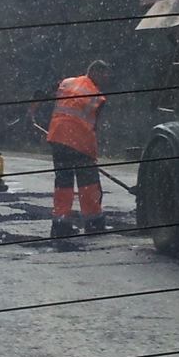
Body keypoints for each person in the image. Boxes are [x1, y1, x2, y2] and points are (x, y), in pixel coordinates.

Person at [39, 59, 109, 239]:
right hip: (79, 143)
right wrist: (93, 155)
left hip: (58, 140)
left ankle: (60, 225)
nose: (105, 79)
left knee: (63, 183)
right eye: (104, 74)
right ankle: (93, 223)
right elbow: (93, 129)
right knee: (88, 184)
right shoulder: (96, 97)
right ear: (96, 73)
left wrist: (32, 111)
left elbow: (45, 94)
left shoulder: (67, 83)